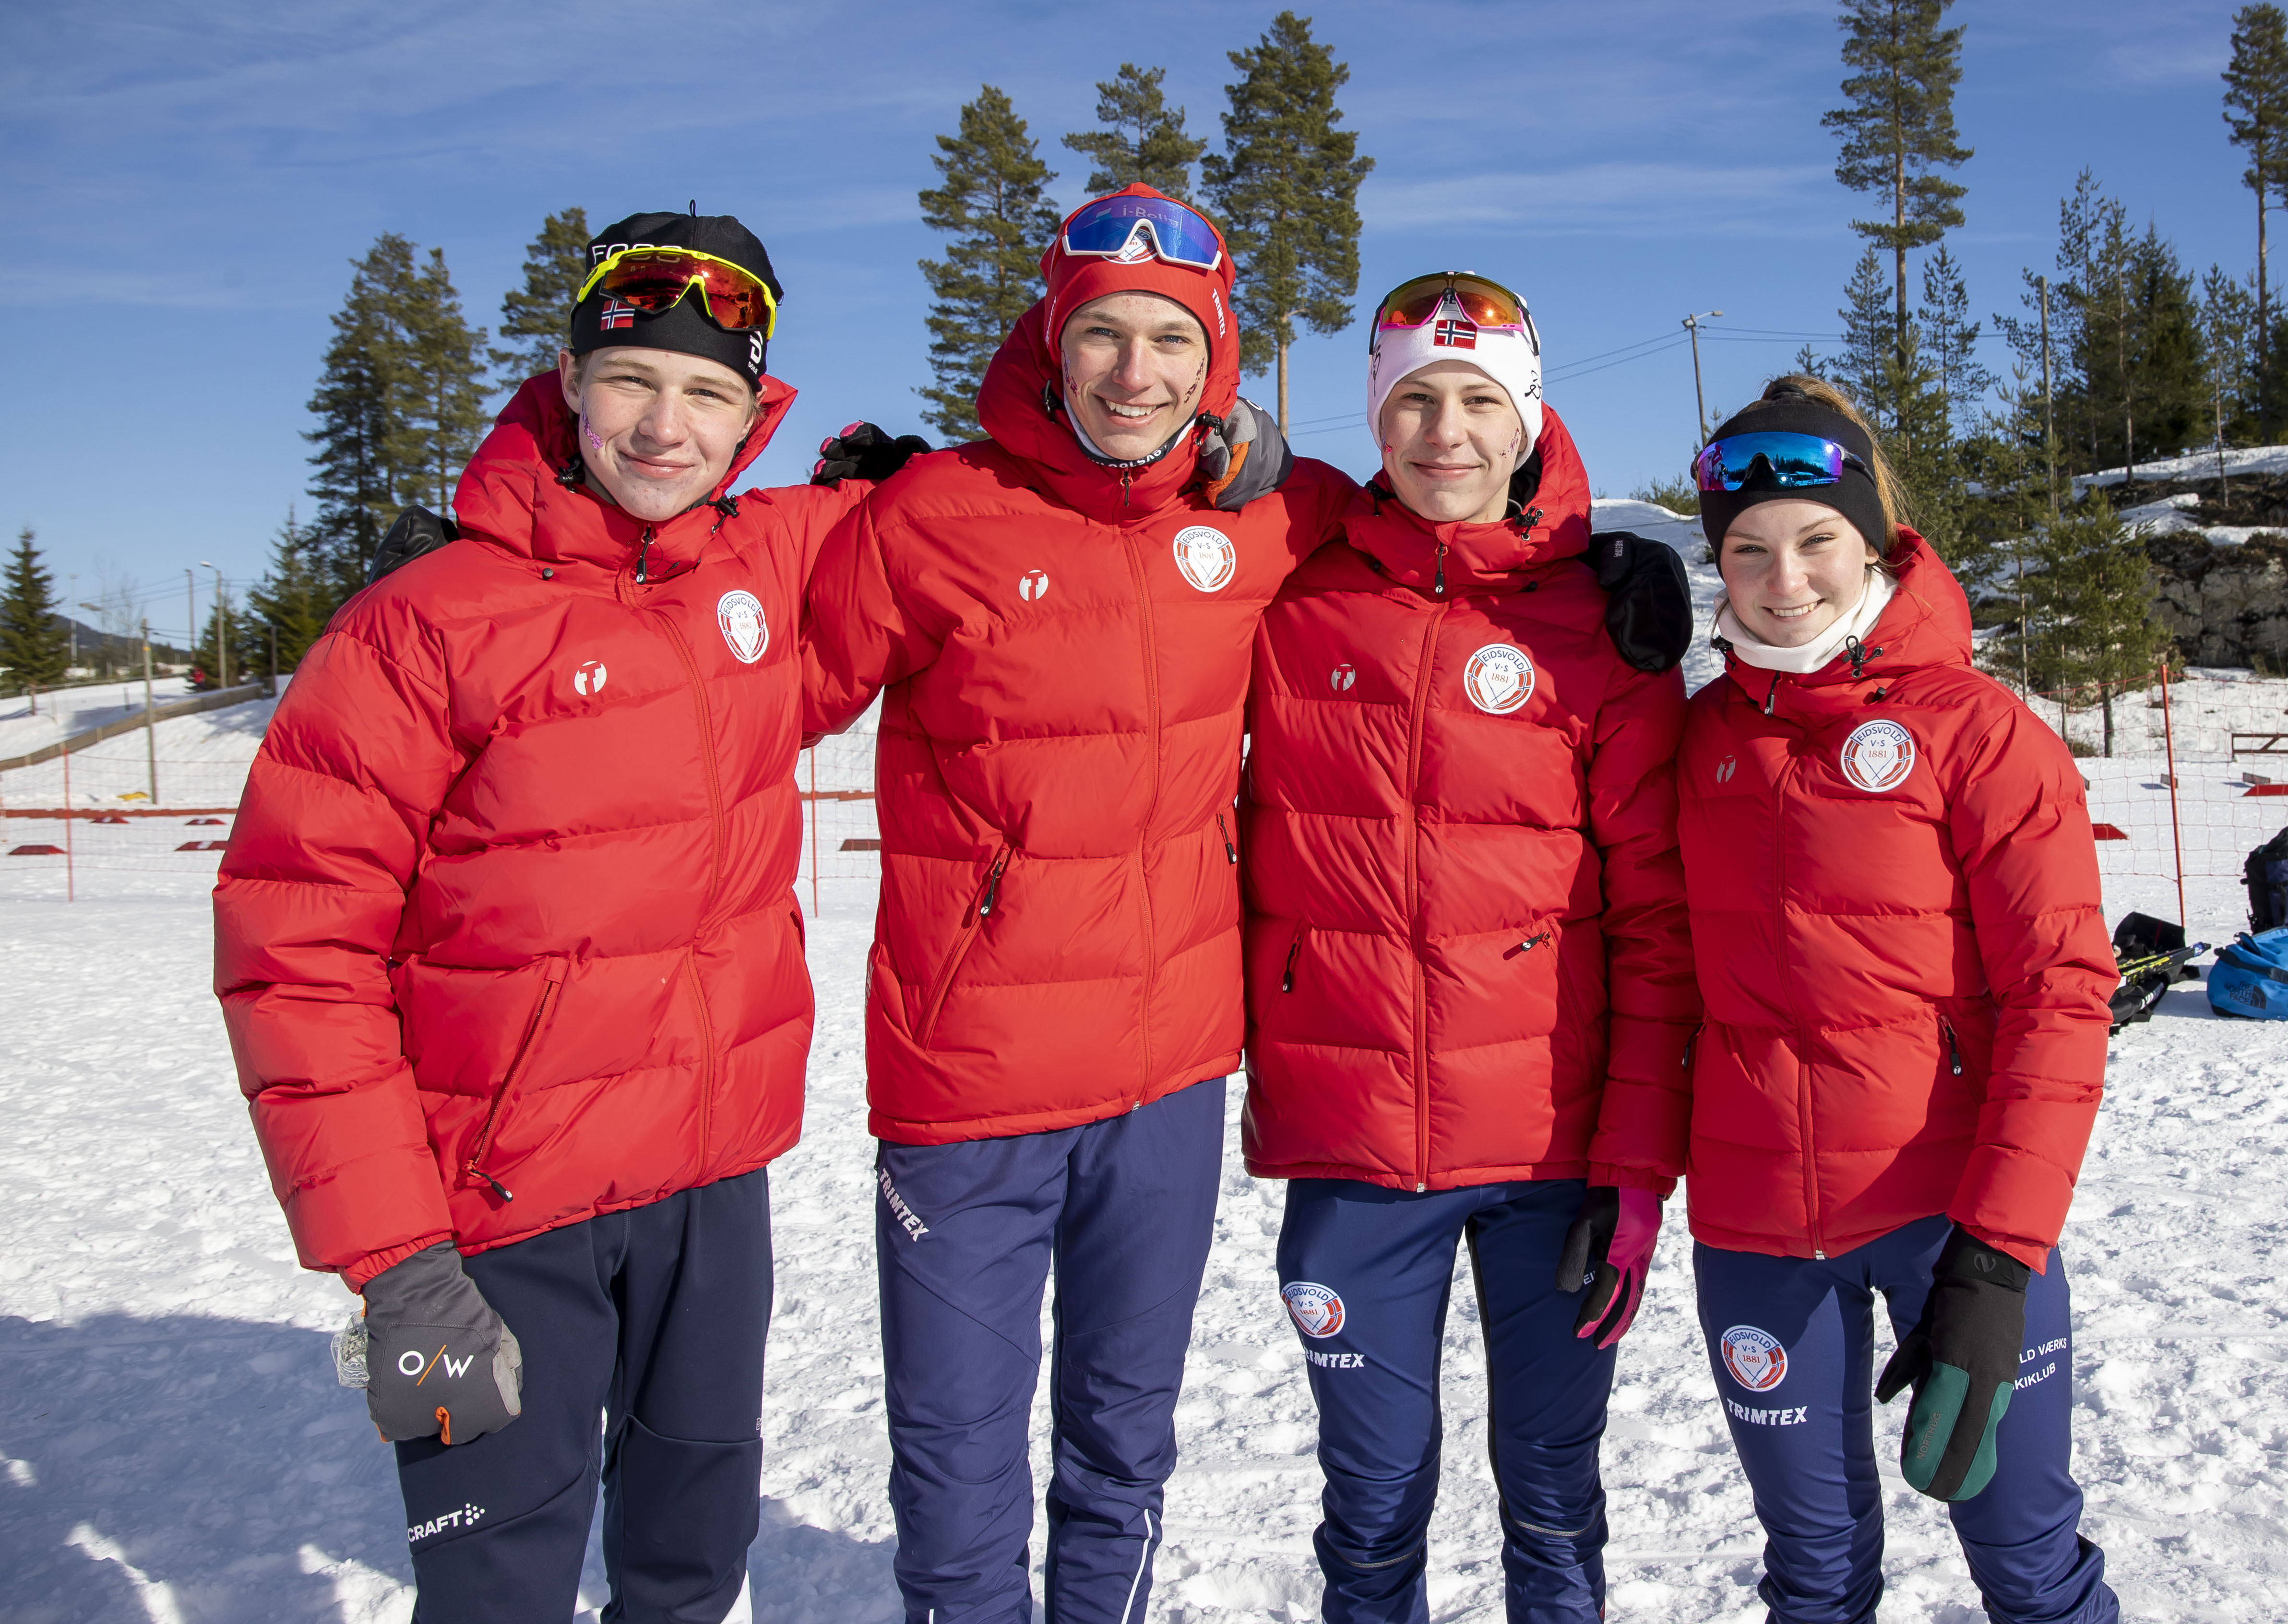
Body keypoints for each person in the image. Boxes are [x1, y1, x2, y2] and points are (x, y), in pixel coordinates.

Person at [215, 210, 906, 1623]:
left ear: (755, 414)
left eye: (708, 392)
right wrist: (393, 1261)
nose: (666, 426)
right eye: (632, 378)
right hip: (487, 1217)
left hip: (715, 1197)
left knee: (693, 1557)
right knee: (491, 1575)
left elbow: (986, 507)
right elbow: (296, 953)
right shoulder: (420, 622)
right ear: (569, 377)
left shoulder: (755, 582)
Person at [801, 183, 1354, 1624]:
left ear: (1215, 362)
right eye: (1103, 334)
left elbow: (1450, 529)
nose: (1134, 374)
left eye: (1172, 342)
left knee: (1125, 1433)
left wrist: (1594, 553)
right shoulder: (934, 515)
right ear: (1052, 342)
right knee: (959, 1450)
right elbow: (751, 682)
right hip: (968, 1080)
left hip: (1168, 1075)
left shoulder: (1269, 518)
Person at [1588, 376, 2121, 1623]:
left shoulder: (1980, 734)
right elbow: (1658, 973)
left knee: (2030, 1565)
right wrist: (1628, 1179)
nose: (1786, 581)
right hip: (1758, 1232)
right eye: (1748, 551)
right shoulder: (1701, 740)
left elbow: (2063, 997)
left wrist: (1994, 1264)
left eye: (1817, 540)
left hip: (1954, 1222)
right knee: (1812, 1578)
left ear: (1873, 539)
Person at [1238, 271, 1698, 1623]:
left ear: (1529, 421)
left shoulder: (1604, 627)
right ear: (1376, 419)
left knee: (1553, 1499)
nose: (1447, 433)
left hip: (1553, 1159)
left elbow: (1660, 926)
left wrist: (1635, 1167)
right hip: (1353, 1148)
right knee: (1369, 1509)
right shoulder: (1297, 590)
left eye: (1480, 402)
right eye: (1416, 401)